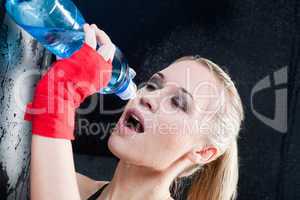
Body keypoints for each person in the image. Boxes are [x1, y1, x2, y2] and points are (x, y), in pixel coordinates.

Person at [26, 23, 244, 200]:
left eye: (178, 103)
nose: (148, 98)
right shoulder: (67, 185)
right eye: (152, 85)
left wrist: (60, 92)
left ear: (203, 152)